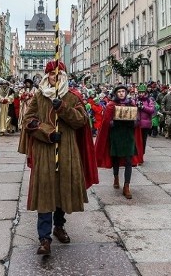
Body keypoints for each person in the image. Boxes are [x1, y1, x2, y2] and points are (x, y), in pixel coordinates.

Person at [19, 60, 98, 256]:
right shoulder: (39, 97)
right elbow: (27, 121)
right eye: (52, 75)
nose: (55, 78)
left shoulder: (72, 97)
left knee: (62, 190)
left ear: (63, 76)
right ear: (47, 77)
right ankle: (44, 238)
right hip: (45, 150)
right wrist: (47, 132)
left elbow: (81, 121)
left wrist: (63, 108)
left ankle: (59, 226)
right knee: (45, 191)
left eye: (58, 75)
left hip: (67, 150)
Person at [95, 85, 144, 199]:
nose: (121, 93)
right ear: (116, 93)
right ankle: (116, 178)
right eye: (119, 91)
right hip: (116, 135)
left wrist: (135, 120)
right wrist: (112, 122)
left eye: (123, 91)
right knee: (116, 158)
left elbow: (137, 120)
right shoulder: (111, 105)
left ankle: (126, 186)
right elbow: (106, 121)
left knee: (128, 160)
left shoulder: (131, 104)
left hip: (128, 136)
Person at [135, 84, 155, 154]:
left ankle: (141, 154)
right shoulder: (135, 100)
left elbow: (152, 110)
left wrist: (143, 107)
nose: (141, 94)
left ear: (145, 92)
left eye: (142, 92)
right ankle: (136, 155)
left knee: (143, 140)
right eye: (139, 92)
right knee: (136, 140)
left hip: (145, 124)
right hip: (136, 123)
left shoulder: (149, 100)